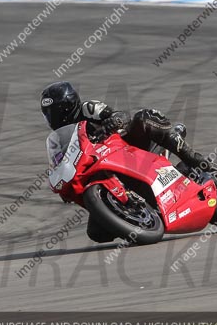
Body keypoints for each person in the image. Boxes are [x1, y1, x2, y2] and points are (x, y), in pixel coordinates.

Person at [40, 81, 207, 242]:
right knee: (97, 233)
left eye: (55, 111)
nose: (52, 116)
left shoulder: (88, 109)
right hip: (98, 167)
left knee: (143, 118)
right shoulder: (58, 140)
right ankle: (137, 215)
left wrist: (112, 121)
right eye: (47, 113)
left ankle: (192, 159)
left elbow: (121, 115)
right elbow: (60, 162)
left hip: (128, 148)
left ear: (69, 104)